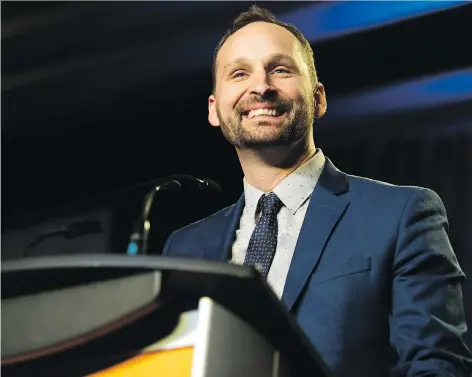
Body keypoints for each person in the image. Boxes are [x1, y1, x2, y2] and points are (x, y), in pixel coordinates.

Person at [163, 5, 471, 377]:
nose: (260, 87)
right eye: (239, 73)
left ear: (319, 98)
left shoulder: (402, 214)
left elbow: (438, 368)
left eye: (279, 69)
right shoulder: (182, 248)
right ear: (214, 109)